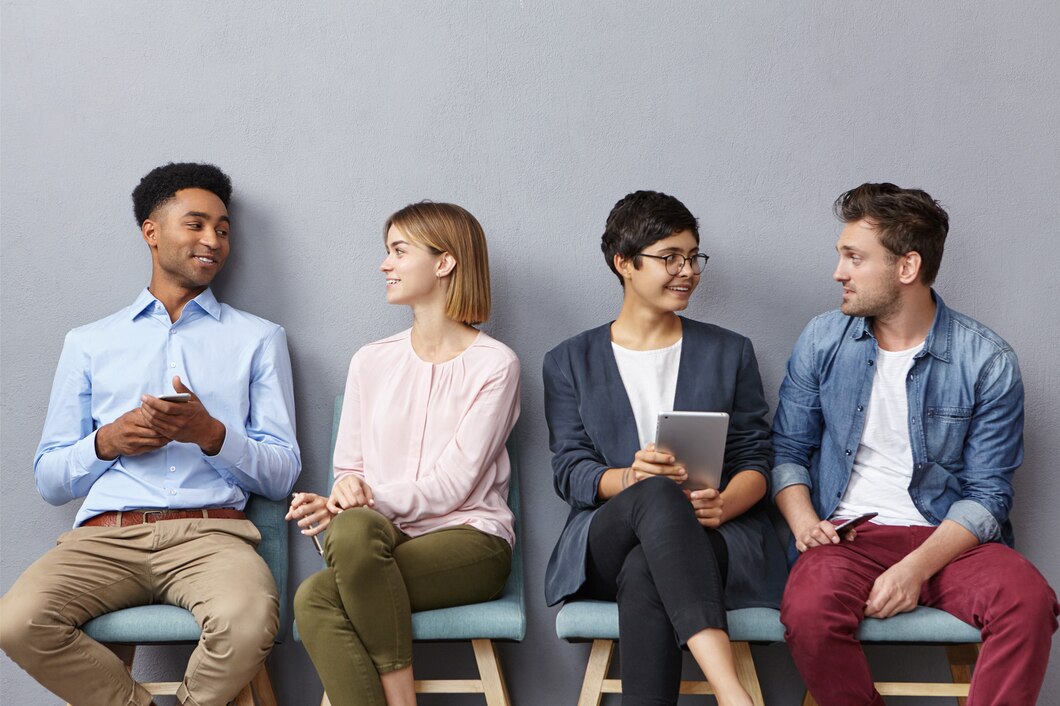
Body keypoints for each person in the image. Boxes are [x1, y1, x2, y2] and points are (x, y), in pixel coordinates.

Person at [0, 162, 301, 706]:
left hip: (211, 537)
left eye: (223, 229)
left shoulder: (259, 339)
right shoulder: (89, 343)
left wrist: (211, 434)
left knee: (248, 620)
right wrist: (107, 442)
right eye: (196, 224)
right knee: (18, 622)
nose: (213, 241)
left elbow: (282, 475)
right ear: (152, 232)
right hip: (104, 538)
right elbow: (49, 479)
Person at [772, 182, 1059, 706]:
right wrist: (803, 524)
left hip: (947, 541)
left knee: (1029, 601)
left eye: (854, 258)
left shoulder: (987, 360)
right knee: (808, 611)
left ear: (906, 267)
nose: (839, 273)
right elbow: (788, 451)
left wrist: (914, 569)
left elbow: (988, 494)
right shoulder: (821, 339)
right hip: (848, 535)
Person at [543, 190, 787, 706]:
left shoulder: (729, 351)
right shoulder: (569, 361)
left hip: (711, 535)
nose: (688, 271)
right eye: (669, 257)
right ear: (624, 264)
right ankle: (732, 693)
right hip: (604, 536)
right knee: (655, 494)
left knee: (646, 571)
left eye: (693, 256)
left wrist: (724, 504)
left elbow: (755, 459)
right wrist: (630, 480)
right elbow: (570, 470)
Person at [289, 201, 520, 706]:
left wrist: (359, 499)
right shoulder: (370, 360)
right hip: (376, 540)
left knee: (317, 596)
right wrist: (344, 493)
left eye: (398, 250)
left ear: (445, 262)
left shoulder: (495, 365)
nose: (384, 264)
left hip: (470, 540)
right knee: (347, 534)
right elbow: (348, 468)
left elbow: (453, 486)